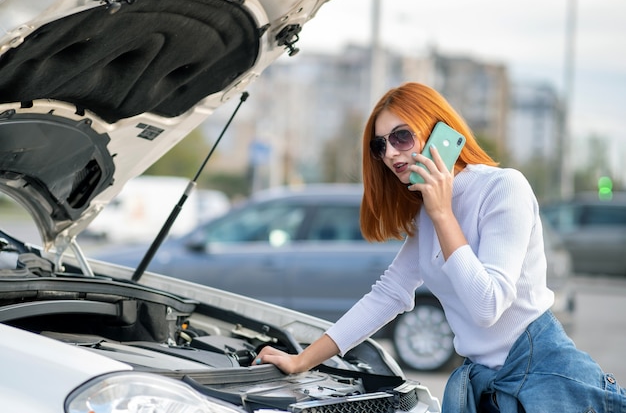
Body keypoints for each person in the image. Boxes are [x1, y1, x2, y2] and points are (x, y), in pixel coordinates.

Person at [255, 82, 625, 412]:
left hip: (548, 380)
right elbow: (388, 294)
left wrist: (443, 213)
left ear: (439, 132)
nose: (390, 154)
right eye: (379, 145)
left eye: (401, 136)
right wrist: (303, 360)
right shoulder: (426, 213)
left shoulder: (502, 188)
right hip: (485, 387)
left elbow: (488, 305)